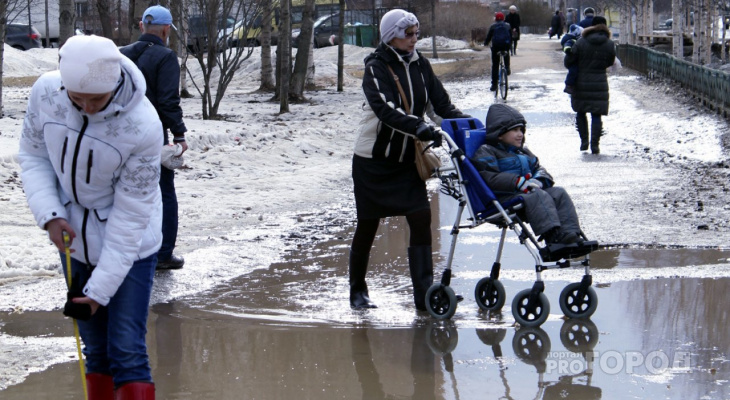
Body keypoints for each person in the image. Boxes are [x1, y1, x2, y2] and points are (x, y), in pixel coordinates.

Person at [18, 35, 163, 399]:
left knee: (126, 349)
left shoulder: (144, 125)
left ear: (113, 83)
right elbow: (33, 156)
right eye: (77, 98)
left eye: (96, 99)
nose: (87, 107)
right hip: (74, 240)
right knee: (95, 352)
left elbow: (131, 216)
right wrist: (51, 216)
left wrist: (99, 291)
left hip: (131, 246)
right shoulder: (47, 93)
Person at [352, 9, 470, 310]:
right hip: (374, 162)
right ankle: (357, 290)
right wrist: (420, 127)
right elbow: (386, 109)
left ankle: (424, 294)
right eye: (408, 34)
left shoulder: (420, 65)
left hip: (406, 161)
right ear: (391, 35)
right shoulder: (376, 67)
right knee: (368, 224)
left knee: (420, 218)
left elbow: (440, 106)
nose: (414, 39)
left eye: (416, 33)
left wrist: (469, 126)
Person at [120, 5, 187, 271]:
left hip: (120, 135)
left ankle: (127, 249)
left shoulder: (121, 55)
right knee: (163, 192)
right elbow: (168, 101)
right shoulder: (165, 57)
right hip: (152, 135)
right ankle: (163, 254)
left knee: (125, 191)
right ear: (166, 29)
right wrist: (179, 133)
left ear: (141, 26)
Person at [471, 104, 586, 246]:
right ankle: (553, 238)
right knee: (538, 195)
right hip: (504, 198)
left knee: (558, 193)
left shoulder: (523, 151)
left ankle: (570, 234)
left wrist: (539, 181)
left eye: (521, 130)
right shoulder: (487, 151)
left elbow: (539, 168)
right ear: (499, 134)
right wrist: (517, 182)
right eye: (515, 130)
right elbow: (488, 177)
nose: (520, 134)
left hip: (528, 195)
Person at [564, 16, 615, 154]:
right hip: (600, 83)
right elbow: (610, 62)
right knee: (596, 115)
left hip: (581, 81)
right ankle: (595, 145)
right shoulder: (609, 44)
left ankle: (584, 141)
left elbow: (569, 61)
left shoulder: (581, 42)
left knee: (581, 112)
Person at [484, 12, 512, 91]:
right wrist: (510, 46)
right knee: (506, 54)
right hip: (505, 46)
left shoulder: (493, 26)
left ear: (495, 19)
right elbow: (510, 37)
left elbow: (488, 37)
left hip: (496, 47)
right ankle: (507, 67)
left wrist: (486, 43)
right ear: (503, 18)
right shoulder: (508, 26)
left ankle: (494, 85)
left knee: (495, 65)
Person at [560, 24, 584, 94]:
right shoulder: (572, 40)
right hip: (573, 59)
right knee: (573, 71)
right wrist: (568, 50)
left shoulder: (573, 39)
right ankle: (568, 85)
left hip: (574, 58)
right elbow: (567, 46)